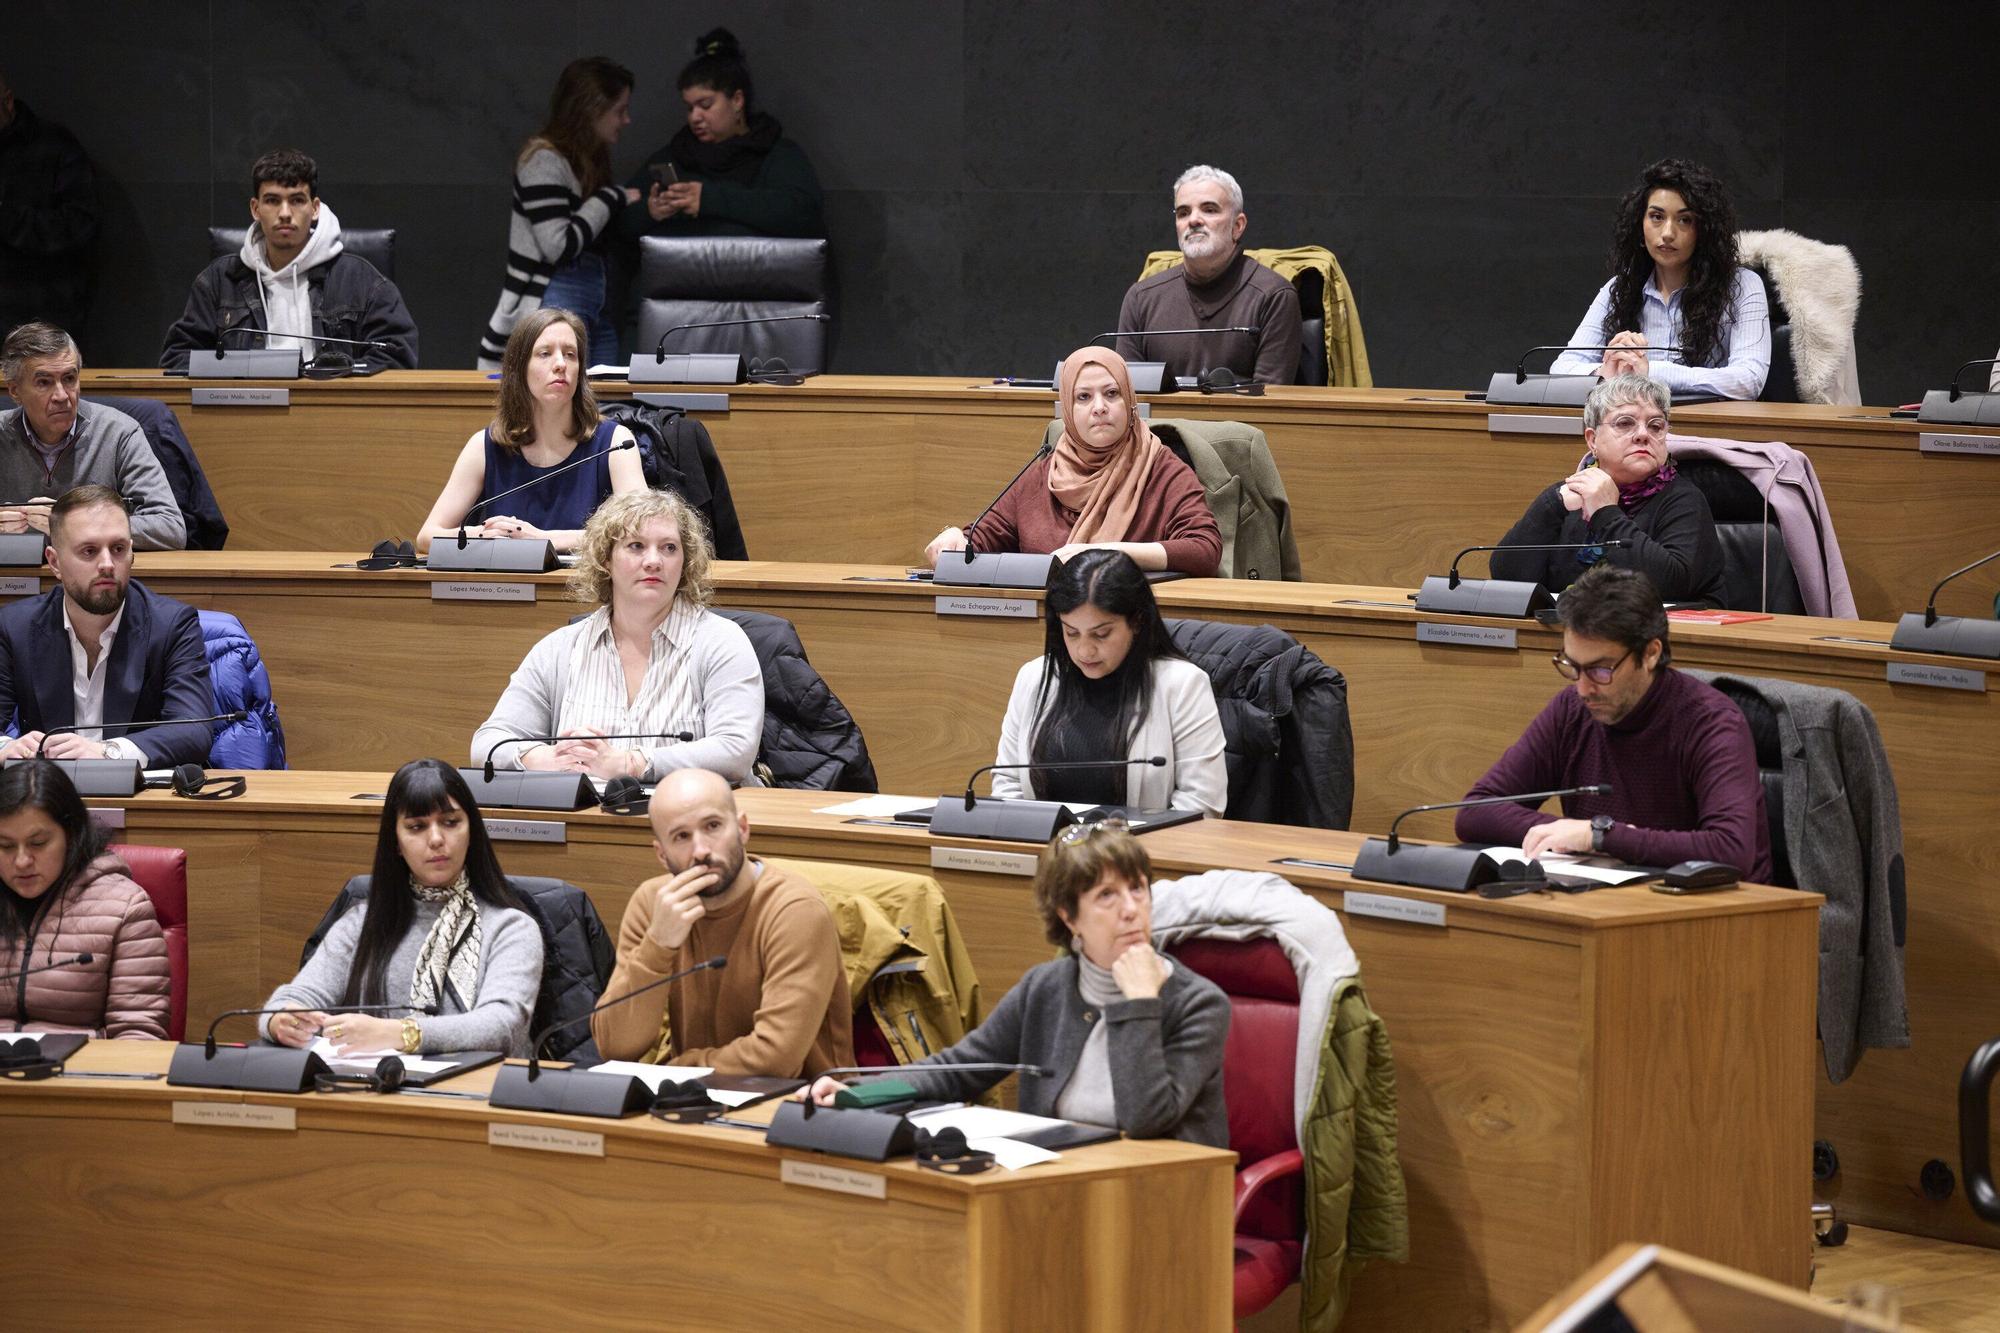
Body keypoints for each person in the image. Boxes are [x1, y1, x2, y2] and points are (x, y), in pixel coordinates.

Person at [806, 821, 1230, 1146]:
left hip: (1164, 1206)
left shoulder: (1197, 1004)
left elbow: (1145, 1120)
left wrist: (1137, 1002)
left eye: (1138, 889)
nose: (1131, 909)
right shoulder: (1046, 988)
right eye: (1107, 895)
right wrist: (858, 1089)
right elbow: (961, 1069)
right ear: (1068, 916)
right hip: (1055, 1192)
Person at [1454, 565, 1772, 881]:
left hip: (1718, 916)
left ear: (1650, 653)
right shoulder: (1571, 710)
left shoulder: (1712, 722)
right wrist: (1567, 835)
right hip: (1613, 902)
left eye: (1600, 670)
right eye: (1572, 666)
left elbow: (1732, 850)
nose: (1582, 688)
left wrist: (1601, 836)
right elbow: (1475, 811)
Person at [472, 489, 763, 783]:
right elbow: (488, 744)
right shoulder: (561, 649)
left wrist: (631, 764)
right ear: (605, 560)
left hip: (688, 821)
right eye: (636, 546)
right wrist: (545, 758)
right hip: (586, 821)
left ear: (685, 562)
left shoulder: (720, 641)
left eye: (669, 548)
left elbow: (735, 750)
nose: (654, 561)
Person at [261, 759, 545, 1057]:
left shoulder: (511, 927)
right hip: (376, 1092)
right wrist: (280, 1020)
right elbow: (296, 998)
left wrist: (398, 1033)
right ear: (396, 842)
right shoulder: (361, 924)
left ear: (471, 830)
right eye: (417, 827)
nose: (436, 839)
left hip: (479, 1095)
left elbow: (502, 1025)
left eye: (451, 822)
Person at [591, 769, 851, 1076]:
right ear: (661, 855)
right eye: (681, 836)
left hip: (798, 1106)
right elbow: (615, 1046)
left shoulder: (794, 909)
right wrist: (657, 946)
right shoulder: (653, 904)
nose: (701, 850)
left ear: (742, 829)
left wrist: (677, 1071)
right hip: (691, 1104)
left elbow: (776, 1059)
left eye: (713, 826)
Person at [924, 347, 1222, 576]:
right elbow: (985, 536)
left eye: (1112, 394)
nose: (1100, 408)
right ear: (1067, 408)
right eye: (1083, 397)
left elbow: (1205, 549)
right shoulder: (1043, 474)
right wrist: (956, 538)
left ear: (1130, 403)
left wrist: (1109, 553)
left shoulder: (1161, 469)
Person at [993, 550, 1226, 816]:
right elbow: (1008, 787)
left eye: (1101, 634)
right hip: (1049, 853)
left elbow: (1202, 806)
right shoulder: (1034, 678)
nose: (1085, 651)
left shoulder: (1183, 685)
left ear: (1137, 622)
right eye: (1072, 633)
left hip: (1139, 853)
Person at [0, 485, 213, 767]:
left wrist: (107, 753)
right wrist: (7, 747)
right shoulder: (16, 626)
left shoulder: (172, 625)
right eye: (89, 551)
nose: (107, 564)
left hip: (138, 799)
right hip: (50, 799)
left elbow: (193, 730)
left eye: (118, 549)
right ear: (55, 563)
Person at [159, 148, 419, 372]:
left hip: (332, 414)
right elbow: (177, 358)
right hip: (246, 412)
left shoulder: (361, 280)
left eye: (296, 200)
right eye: (272, 200)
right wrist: (242, 374)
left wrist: (333, 378)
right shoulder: (219, 280)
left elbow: (398, 354)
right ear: (255, 208)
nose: (285, 213)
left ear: (315, 208)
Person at [416, 308, 645, 554]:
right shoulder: (486, 446)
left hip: (586, 590)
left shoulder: (616, 442)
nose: (560, 364)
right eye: (545, 354)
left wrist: (545, 539)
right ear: (519, 368)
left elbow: (642, 531)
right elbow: (427, 537)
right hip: (506, 591)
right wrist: (481, 534)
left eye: (570, 355)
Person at [1489, 374, 1727, 606]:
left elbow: (1671, 585)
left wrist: (1605, 512)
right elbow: (1508, 578)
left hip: (1662, 637)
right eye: (1625, 423)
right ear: (1592, 440)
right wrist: (1550, 505)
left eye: (1656, 426)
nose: (1643, 435)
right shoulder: (1567, 497)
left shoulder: (1684, 500)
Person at [1549, 158, 1770, 401]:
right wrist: (1609, 371)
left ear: (1704, 231)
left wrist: (1651, 372)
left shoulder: (1741, 286)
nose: (1667, 233)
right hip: (1634, 429)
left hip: (1708, 429)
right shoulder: (1619, 288)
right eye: (1656, 217)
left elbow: (1749, 380)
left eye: (1684, 220)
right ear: (1639, 226)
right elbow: (1562, 367)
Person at [479, 57, 640, 370]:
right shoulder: (543, 160)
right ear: (592, 109)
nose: (626, 120)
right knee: (559, 403)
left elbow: (592, 235)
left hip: (597, 298)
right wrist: (610, 198)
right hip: (558, 293)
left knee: (600, 403)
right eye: (619, 110)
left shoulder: (587, 160)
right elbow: (558, 245)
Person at [0, 761, 167, 1040]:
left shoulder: (123, 907)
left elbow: (138, 1035)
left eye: (38, 843)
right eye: (4, 846)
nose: (21, 861)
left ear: (71, 833)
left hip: (77, 1074)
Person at [619, 28, 824, 242]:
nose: (695, 117)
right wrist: (650, 211)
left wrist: (708, 199)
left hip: (765, 274)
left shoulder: (777, 154)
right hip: (685, 274)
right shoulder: (673, 156)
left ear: (737, 101)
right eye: (689, 108)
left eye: (705, 105)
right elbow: (620, 219)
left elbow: (804, 214)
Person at [2, 323, 185, 550]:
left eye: (69, 379)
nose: (61, 395)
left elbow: (170, 528)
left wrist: (76, 525)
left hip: (95, 579)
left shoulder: (119, 432)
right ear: (14, 391)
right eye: (44, 382)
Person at [1114, 165, 1301, 386]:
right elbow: (1127, 398)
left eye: (1209, 210)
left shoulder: (1274, 296)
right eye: (1183, 213)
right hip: (1158, 422)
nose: (1193, 220)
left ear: (1238, 226)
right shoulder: (1141, 298)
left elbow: (1270, 404)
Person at [0, 71, 100, 336]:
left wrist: (8, 217)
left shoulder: (53, 146)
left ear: (7, 101)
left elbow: (80, 225)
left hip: (37, 317)